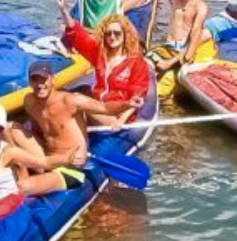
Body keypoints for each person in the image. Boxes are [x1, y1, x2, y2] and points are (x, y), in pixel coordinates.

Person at [8, 61, 141, 184]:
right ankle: (22, 172)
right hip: (47, 157)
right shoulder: (29, 101)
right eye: (34, 80)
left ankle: (27, 179)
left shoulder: (70, 100)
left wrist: (127, 104)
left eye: (43, 79)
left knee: (27, 184)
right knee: (11, 128)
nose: (40, 84)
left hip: (71, 159)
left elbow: (105, 108)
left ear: (52, 79)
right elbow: (36, 128)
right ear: (29, 82)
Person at [0, 101, 64, 215]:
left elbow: (39, 164)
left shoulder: (11, 146)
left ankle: (66, 178)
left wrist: (67, 158)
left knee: (25, 183)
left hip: (6, 207)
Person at [55, 0, 152, 106]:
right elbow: (77, 34)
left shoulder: (136, 62)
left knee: (76, 101)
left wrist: (120, 120)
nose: (112, 37)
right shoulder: (99, 55)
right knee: (62, 95)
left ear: (125, 35)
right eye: (108, 34)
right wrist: (63, 10)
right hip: (99, 104)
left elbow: (137, 95)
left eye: (117, 33)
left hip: (119, 109)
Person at [143, 0, 213, 81]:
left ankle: (170, 69)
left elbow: (195, 33)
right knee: (144, 64)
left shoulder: (201, 7)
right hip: (169, 47)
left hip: (183, 50)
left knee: (205, 33)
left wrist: (178, 60)